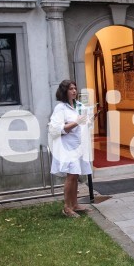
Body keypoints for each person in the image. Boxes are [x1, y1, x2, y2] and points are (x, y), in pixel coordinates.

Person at [48, 79, 93, 218]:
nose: (74, 91)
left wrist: (90, 119)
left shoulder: (79, 105)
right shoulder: (60, 108)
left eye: (75, 88)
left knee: (76, 174)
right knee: (71, 175)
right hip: (67, 147)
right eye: (71, 89)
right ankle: (67, 207)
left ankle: (75, 204)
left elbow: (85, 123)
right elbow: (56, 129)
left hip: (79, 146)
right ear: (64, 92)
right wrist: (75, 123)